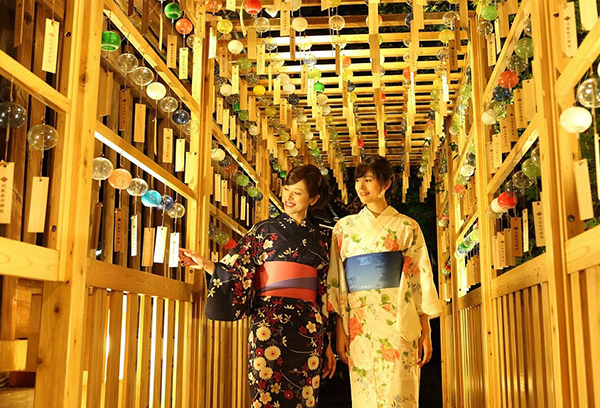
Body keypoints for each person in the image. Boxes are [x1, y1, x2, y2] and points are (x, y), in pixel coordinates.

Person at [180, 165, 337, 408]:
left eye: (297, 192)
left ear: (314, 199)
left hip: (308, 327)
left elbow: (324, 292)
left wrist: (327, 341)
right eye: (286, 190)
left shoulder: (322, 241)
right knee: (266, 392)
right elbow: (237, 267)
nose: (288, 198)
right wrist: (210, 265)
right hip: (269, 322)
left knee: (304, 395)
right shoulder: (264, 231)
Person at [327, 155, 442, 407]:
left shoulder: (406, 226)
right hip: (359, 321)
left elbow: (419, 276)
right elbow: (336, 281)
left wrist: (426, 328)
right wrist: (340, 330)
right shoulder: (344, 228)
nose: (361, 186)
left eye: (368, 179)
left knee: (399, 392)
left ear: (386, 183)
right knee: (365, 391)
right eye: (358, 180)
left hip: (399, 317)